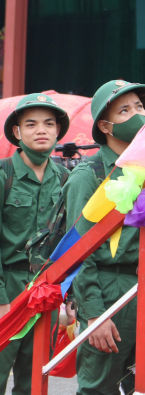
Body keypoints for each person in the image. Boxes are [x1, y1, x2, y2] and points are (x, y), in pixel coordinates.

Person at [0, 93, 71, 395]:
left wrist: (68, 295)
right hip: (5, 286)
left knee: (33, 380)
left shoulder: (66, 178)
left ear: (58, 131)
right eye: (30, 124)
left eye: (48, 124)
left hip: (46, 289)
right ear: (17, 132)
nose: (40, 130)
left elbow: (69, 241)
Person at [65, 80, 144, 395]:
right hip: (111, 292)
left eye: (139, 106)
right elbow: (78, 252)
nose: (137, 114)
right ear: (106, 126)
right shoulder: (89, 176)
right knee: (100, 388)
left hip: (141, 287)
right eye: (124, 110)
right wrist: (95, 314)